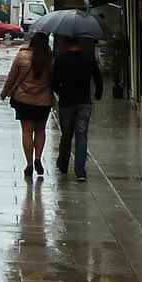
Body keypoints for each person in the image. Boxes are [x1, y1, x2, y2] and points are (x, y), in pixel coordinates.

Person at [0, 32, 56, 178]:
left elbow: (12, 77)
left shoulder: (22, 56)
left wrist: (4, 92)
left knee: (27, 131)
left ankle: (29, 164)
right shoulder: (50, 60)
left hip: (24, 100)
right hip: (43, 101)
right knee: (40, 130)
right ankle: (38, 157)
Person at [50, 34, 105, 180]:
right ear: (79, 43)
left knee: (66, 134)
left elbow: (54, 82)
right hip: (84, 102)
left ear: (66, 43)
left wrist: (62, 93)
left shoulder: (61, 60)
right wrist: (98, 94)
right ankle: (80, 171)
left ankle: (63, 163)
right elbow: (98, 78)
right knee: (82, 136)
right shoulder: (88, 58)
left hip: (67, 102)